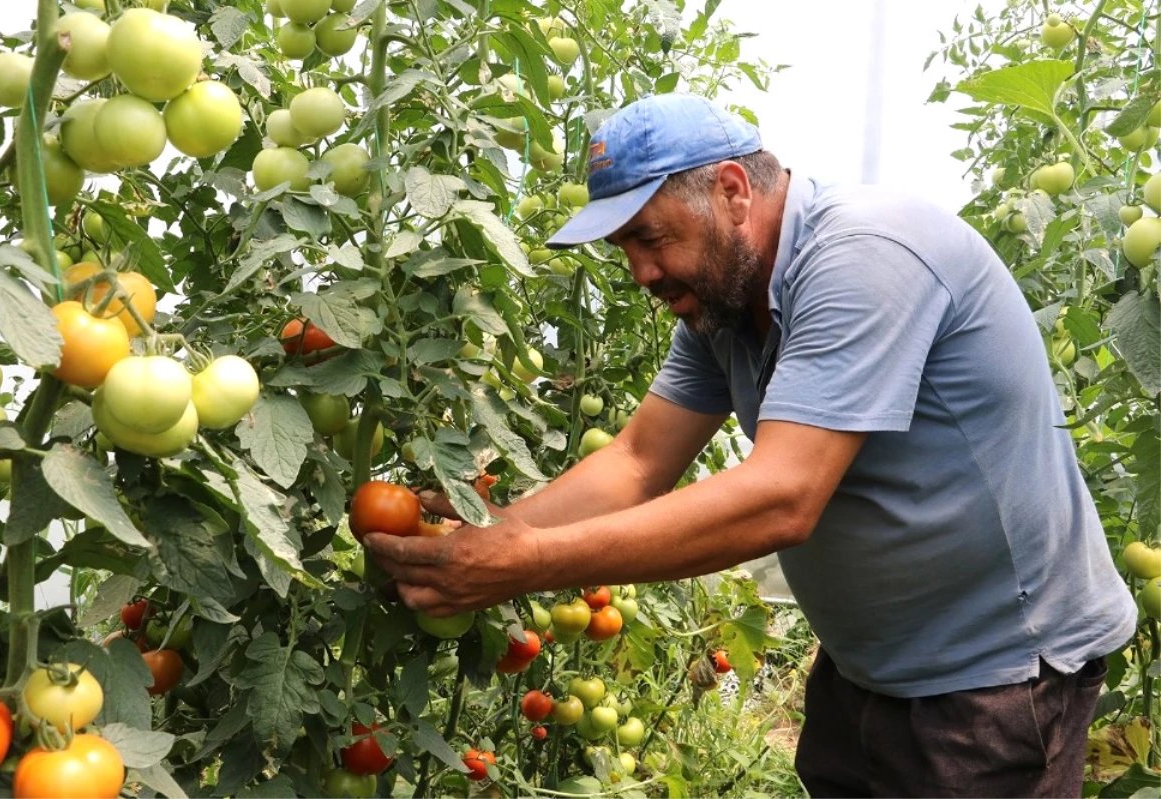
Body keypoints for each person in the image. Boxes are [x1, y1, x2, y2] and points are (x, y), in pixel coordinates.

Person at [363, 93, 1137, 797]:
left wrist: (521, 565)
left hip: (996, 679)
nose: (639, 271)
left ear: (733, 191)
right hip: (865, 669)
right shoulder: (721, 301)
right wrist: (490, 534)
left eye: (649, 237)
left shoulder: (865, 254)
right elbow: (636, 462)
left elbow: (781, 498)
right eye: (622, 249)